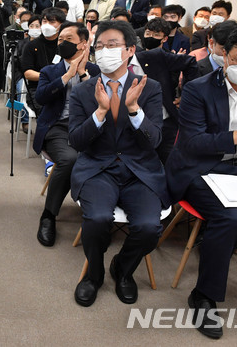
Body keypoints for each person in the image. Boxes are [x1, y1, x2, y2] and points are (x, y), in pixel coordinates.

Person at [165, 21, 237, 341]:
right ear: (225, 55)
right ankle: (204, 296)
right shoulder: (198, 89)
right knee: (230, 218)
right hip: (202, 172)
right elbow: (192, 144)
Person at [69, 20, 168, 308]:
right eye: (99, 46)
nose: (104, 51)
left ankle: (123, 269)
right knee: (98, 220)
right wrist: (100, 112)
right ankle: (94, 275)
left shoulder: (149, 88)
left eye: (111, 45)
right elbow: (76, 141)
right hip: (98, 168)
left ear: (129, 50)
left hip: (140, 170)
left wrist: (134, 110)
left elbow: (155, 140)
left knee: (150, 227)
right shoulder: (83, 91)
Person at [34, 22, 100, 247]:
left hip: (90, 127)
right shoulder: (50, 71)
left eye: (68, 40)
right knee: (70, 159)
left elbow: (98, 105)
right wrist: (66, 76)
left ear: (83, 44)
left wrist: (81, 75)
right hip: (58, 127)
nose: (61, 43)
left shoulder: (97, 71)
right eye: (60, 39)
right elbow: (40, 98)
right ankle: (48, 215)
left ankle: (101, 214)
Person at [131, 18, 200, 162]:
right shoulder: (137, 55)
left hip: (165, 118)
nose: (150, 38)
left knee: (167, 160)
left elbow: (190, 63)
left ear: (164, 38)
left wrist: (186, 95)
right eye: (148, 33)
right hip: (138, 118)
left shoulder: (163, 56)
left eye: (156, 35)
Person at [21, 7, 67, 117]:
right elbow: (28, 73)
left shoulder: (65, 44)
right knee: (47, 112)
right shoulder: (31, 46)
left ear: (61, 25)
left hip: (63, 87)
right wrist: (49, 77)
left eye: (52, 22)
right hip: (38, 88)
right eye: (45, 21)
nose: (47, 25)